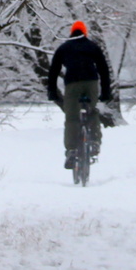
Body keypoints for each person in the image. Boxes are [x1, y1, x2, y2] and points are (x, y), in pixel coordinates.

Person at [46, 20, 113, 170]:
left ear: (72, 33)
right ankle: (95, 142)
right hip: (91, 82)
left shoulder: (64, 48)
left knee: (72, 118)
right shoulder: (92, 46)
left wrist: (52, 91)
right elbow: (103, 68)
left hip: (73, 84)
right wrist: (106, 91)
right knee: (94, 112)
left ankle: (71, 150)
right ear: (85, 33)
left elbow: (53, 71)